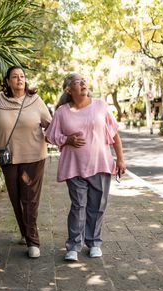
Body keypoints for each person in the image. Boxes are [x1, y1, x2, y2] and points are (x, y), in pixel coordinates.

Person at [45, 73, 126, 261]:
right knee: (78, 206)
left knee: (97, 207)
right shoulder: (62, 112)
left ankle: (94, 242)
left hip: (100, 163)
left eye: (84, 80)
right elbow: (50, 136)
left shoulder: (100, 105)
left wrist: (120, 159)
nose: (83, 83)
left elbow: (114, 134)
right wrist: (67, 139)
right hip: (74, 166)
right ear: (68, 89)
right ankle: (73, 245)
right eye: (77, 82)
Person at [0, 66, 52, 258]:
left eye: (22, 76)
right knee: (16, 199)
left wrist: (58, 137)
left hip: (34, 156)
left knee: (29, 199)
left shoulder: (35, 101)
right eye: (15, 77)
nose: (19, 79)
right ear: (7, 81)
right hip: (9, 158)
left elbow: (50, 123)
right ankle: (25, 232)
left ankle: (33, 241)